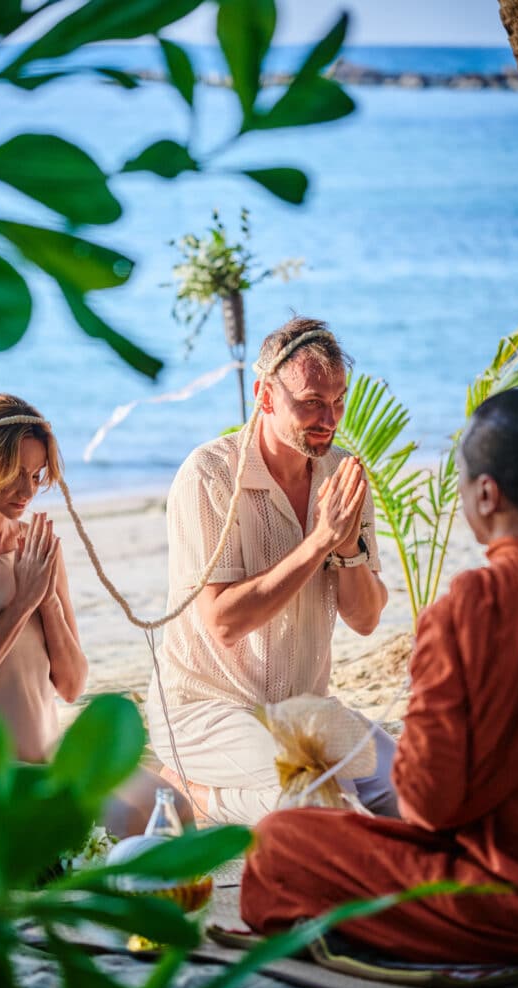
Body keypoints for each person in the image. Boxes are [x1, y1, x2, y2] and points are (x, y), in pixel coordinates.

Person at [241, 389, 518, 963]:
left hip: (501, 891)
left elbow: (429, 806)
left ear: (486, 494)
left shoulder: (474, 608)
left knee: (279, 847)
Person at [146, 317, 397, 825]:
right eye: (310, 403)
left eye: (337, 401)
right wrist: (321, 541)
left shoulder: (343, 474)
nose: (329, 418)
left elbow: (366, 619)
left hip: (305, 710)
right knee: (321, 811)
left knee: (421, 791)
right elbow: (223, 622)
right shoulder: (209, 475)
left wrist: (347, 549)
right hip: (206, 710)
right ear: (264, 395)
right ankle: (191, 790)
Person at [0, 394, 192, 834]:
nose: (27, 491)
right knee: (128, 823)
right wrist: (21, 604)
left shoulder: (38, 548)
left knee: (174, 810)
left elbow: (72, 684)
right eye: (13, 475)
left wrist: (47, 599)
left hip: (48, 757)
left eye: (37, 475)